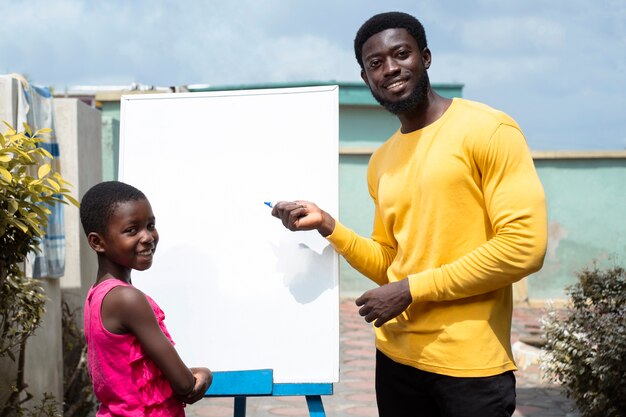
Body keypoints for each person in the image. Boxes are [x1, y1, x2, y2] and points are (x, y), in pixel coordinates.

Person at [271, 11, 547, 417]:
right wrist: (329, 226)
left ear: (426, 57)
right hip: (396, 362)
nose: (390, 69)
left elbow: (524, 247)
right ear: (366, 79)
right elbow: (391, 263)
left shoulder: (488, 130)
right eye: (375, 63)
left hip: (470, 367)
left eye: (401, 53)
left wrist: (410, 289)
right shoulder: (381, 161)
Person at [80, 181, 212, 416]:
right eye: (132, 230)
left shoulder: (97, 295)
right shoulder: (127, 299)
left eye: (150, 225)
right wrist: (204, 374)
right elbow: (184, 385)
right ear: (97, 242)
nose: (148, 237)